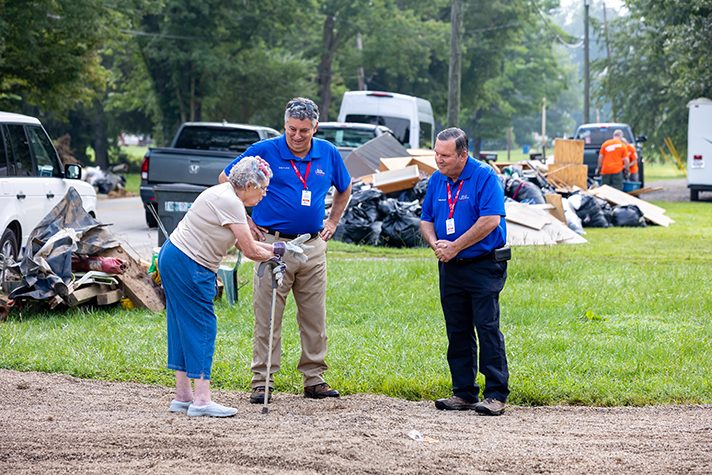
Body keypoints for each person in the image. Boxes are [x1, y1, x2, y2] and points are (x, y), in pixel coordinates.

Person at [218, 97, 352, 404]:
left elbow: (345, 187)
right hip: (272, 244)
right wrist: (246, 220)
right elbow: (226, 180)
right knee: (268, 317)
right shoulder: (264, 151)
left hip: (312, 246)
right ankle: (262, 381)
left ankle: (314, 378)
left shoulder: (328, 153)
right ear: (284, 124)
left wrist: (333, 220)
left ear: (315, 127)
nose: (297, 136)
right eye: (292, 129)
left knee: (314, 317)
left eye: (304, 130)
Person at [159, 156, 306, 417]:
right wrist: (277, 255)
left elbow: (242, 243)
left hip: (174, 255)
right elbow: (249, 249)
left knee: (181, 324)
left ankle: (183, 396)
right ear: (249, 185)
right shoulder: (232, 203)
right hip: (190, 263)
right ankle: (202, 401)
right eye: (263, 188)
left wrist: (282, 248)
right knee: (203, 326)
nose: (264, 193)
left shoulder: (223, 193)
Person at [420, 127, 510, 416]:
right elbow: (426, 221)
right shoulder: (436, 180)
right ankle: (464, 392)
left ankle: (496, 393)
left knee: (486, 327)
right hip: (450, 264)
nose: (439, 160)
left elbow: (490, 221)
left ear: (463, 154)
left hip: (483, 264)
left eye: (445, 155)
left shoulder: (483, 176)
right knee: (456, 329)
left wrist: (456, 246)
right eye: (436, 153)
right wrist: (437, 245)